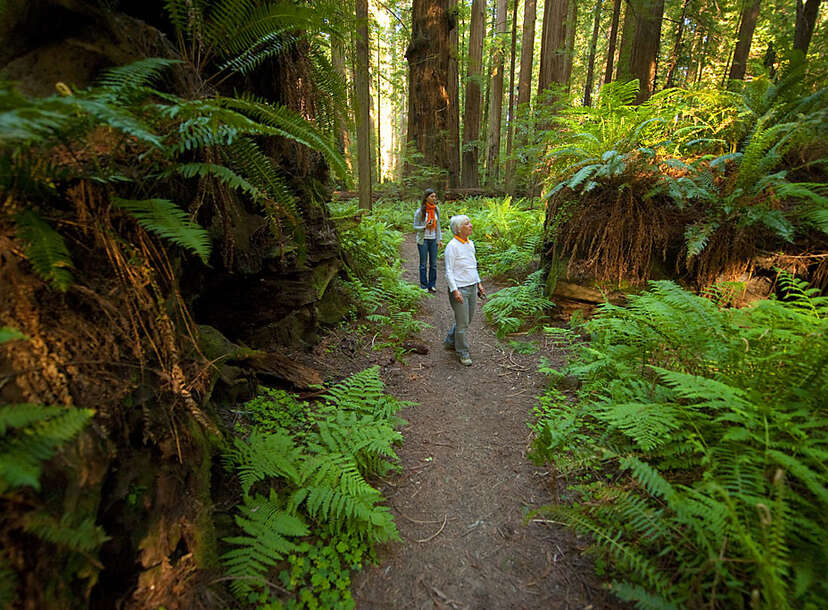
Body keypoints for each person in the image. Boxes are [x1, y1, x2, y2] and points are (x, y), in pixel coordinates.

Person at [443, 214, 486, 366]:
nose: (471, 225)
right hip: (459, 289)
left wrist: (479, 283)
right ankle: (462, 352)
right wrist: (455, 291)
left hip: (472, 287)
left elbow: (472, 266)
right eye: (467, 224)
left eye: (470, 223)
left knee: (466, 320)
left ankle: (449, 340)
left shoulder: (470, 243)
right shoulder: (452, 247)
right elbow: (448, 271)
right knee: (462, 324)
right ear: (459, 229)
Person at [413, 188, 442, 293]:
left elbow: (438, 225)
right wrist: (424, 227)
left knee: (434, 264)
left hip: (433, 239)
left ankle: (432, 284)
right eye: (432, 196)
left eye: (435, 196)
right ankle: (424, 285)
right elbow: (415, 227)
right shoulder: (420, 211)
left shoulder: (436, 209)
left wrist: (439, 239)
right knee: (423, 264)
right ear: (426, 198)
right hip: (423, 240)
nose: (434, 198)